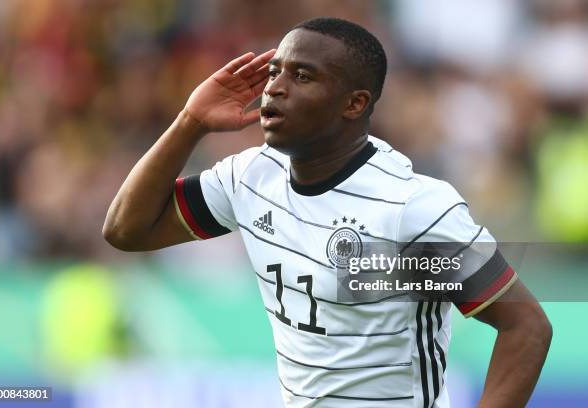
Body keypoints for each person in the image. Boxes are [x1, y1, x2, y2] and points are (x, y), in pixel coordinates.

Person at [103, 17, 551, 408]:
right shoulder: (250, 178)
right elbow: (126, 229)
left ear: (354, 103)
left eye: (302, 76)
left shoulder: (411, 209)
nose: (275, 87)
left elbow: (525, 327)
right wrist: (190, 122)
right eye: (275, 71)